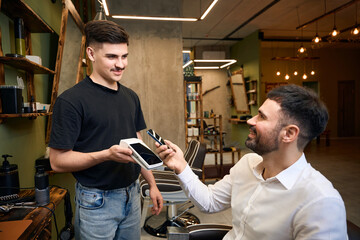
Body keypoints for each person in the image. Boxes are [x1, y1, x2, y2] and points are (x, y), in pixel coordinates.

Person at [157, 84, 347, 239]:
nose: (250, 120)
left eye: (262, 117)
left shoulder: (320, 202)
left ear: (289, 134)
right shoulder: (247, 164)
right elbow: (210, 202)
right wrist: (181, 166)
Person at [49, 20, 163, 240]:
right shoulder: (71, 101)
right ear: (91, 54)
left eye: (124, 56)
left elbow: (137, 144)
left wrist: (152, 184)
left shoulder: (131, 97)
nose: (120, 64)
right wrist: (106, 155)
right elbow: (57, 161)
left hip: (132, 195)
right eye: (112, 57)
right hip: (96, 201)